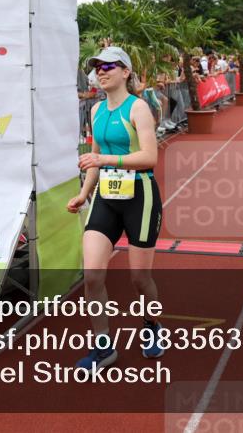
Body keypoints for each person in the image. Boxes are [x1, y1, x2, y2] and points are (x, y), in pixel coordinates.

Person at [66, 46, 165, 371]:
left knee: (139, 277)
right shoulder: (95, 111)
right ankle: (103, 346)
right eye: (97, 67)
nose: (101, 71)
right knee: (93, 275)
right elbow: (95, 157)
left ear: (126, 72)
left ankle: (152, 326)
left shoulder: (138, 109)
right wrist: (84, 193)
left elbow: (150, 157)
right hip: (106, 197)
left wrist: (105, 160)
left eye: (109, 65)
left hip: (140, 195)